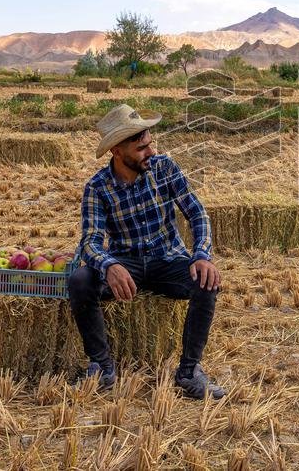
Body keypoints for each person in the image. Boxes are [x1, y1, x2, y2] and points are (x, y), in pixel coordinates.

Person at [68, 103, 224, 399]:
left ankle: (189, 372)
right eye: (141, 148)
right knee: (79, 281)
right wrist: (109, 265)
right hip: (127, 265)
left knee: (207, 281)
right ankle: (102, 368)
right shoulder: (97, 188)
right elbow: (89, 242)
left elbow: (197, 213)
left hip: (168, 260)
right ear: (117, 151)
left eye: (150, 144)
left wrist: (202, 254)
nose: (150, 152)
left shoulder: (164, 167)